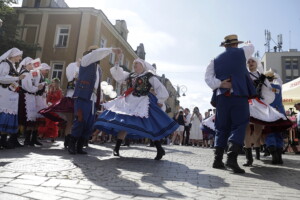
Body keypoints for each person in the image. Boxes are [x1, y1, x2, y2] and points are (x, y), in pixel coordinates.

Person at [94, 57, 179, 160]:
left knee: (150, 125)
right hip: (128, 102)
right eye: (134, 64)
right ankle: (116, 148)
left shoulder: (149, 76)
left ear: (142, 66)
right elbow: (119, 76)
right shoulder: (130, 75)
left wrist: (160, 101)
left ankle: (159, 148)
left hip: (143, 102)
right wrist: (116, 65)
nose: (134, 66)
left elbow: (160, 88)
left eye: (137, 64)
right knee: (124, 124)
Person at [205, 34, 256, 173]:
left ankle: (217, 160)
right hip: (239, 94)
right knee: (239, 124)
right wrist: (248, 42)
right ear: (235, 44)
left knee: (221, 127)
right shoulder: (242, 52)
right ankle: (231, 158)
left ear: (225, 45)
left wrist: (220, 83)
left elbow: (208, 78)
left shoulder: (214, 60)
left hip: (222, 96)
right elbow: (251, 47)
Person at [68, 46, 121, 155]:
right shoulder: (86, 60)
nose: (98, 56)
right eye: (95, 53)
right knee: (80, 120)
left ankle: (80, 146)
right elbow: (96, 53)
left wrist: (99, 98)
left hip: (92, 97)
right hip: (83, 95)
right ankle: (72, 144)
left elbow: (97, 85)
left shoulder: (98, 68)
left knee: (89, 123)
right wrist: (111, 50)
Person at [264, 69, 292, 164]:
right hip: (280, 112)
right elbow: (279, 80)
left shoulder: (264, 88)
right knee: (278, 133)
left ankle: (273, 154)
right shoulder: (278, 87)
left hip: (269, 112)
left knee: (269, 132)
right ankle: (279, 156)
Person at [0, 48, 25, 149]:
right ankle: (2, 141)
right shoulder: (5, 64)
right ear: (14, 55)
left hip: (10, 95)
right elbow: (1, 78)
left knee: (7, 116)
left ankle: (3, 140)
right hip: (4, 94)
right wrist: (17, 78)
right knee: (4, 115)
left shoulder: (12, 65)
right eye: (19, 56)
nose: (20, 58)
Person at [18, 57, 44, 146]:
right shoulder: (25, 73)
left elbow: (32, 84)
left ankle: (29, 139)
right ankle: (25, 139)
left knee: (31, 118)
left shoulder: (29, 73)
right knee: (26, 118)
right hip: (26, 97)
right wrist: (37, 88)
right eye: (30, 64)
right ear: (26, 65)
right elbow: (28, 87)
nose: (32, 66)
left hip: (30, 97)